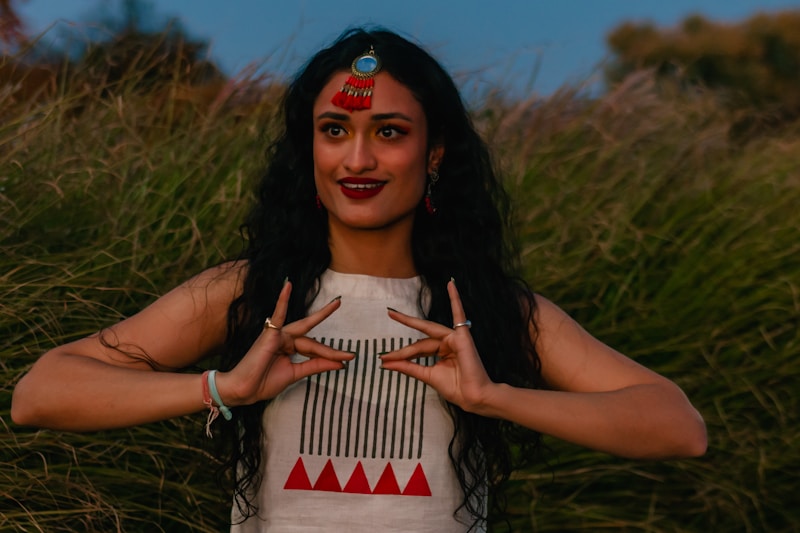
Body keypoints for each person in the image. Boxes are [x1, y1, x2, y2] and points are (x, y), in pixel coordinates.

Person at [11, 27, 707, 532]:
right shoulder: (248, 292)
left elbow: (678, 427)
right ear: (308, 148)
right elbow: (40, 394)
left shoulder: (487, 308)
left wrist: (496, 398)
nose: (360, 157)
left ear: (434, 152)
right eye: (335, 129)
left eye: (391, 131)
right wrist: (222, 388)